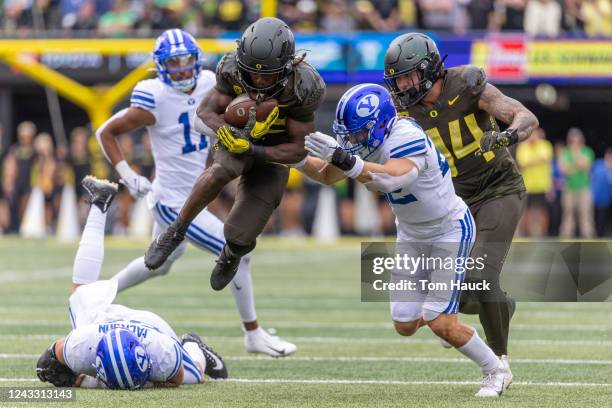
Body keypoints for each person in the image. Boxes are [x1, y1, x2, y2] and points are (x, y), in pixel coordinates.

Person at [298, 84, 511, 397]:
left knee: (439, 322)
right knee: (405, 324)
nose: (352, 141)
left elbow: (392, 177)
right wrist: (287, 156)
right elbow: (327, 175)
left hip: (448, 229)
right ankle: (450, 311)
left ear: (380, 124)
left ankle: (495, 369)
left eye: (357, 133)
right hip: (412, 234)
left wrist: (345, 159)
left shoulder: (406, 136)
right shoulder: (366, 143)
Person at [97, 28, 295, 357]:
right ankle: (253, 334)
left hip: (194, 196)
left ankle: (101, 294)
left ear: (196, 60)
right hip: (171, 201)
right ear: (160, 66)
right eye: (173, 63)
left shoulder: (210, 82)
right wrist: (126, 174)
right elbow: (106, 131)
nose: (181, 68)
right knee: (238, 250)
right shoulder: (153, 95)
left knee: (161, 265)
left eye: (186, 60)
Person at [383, 33, 538, 374]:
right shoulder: (400, 110)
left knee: (481, 275)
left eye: (408, 76)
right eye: (398, 79)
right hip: (452, 203)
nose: (403, 85)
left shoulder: (467, 84)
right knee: (455, 291)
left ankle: (498, 364)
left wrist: (507, 135)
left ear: (429, 70)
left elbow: (524, 115)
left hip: (497, 187)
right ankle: (501, 306)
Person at [144, 18, 326, 292]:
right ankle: (175, 230)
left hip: (274, 152)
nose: (260, 80)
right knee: (221, 170)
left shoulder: (303, 86)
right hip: (238, 134)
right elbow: (204, 113)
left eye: (268, 74)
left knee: (241, 232)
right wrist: (227, 131)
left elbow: (300, 148)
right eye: (252, 73)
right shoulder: (231, 69)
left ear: (288, 66)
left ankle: (231, 254)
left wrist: (254, 150)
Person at [36, 176, 227, 390]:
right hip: (103, 325)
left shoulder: (160, 351)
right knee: (79, 292)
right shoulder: (83, 345)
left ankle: (192, 343)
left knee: (196, 374)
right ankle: (100, 203)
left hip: (153, 327)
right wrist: (79, 377)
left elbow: (174, 379)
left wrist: (88, 382)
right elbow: (50, 360)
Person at [516, 127, 553, 237]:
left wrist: (531, 161)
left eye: (535, 134)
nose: (533, 137)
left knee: (543, 211)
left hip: (543, 185)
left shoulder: (546, 145)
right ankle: (526, 234)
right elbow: (522, 164)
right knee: (526, 211)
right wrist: (538, 160)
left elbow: (545, 159)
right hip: (527, 186)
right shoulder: (523, 146)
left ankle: (542, 234)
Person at [559, 128, 595, 238]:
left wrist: (576, 155)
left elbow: (586, 166)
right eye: (572, 141)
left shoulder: (587, 151)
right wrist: (577, 165)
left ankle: (587, 235)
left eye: (577, 140)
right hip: (569, 188)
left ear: (581, 140)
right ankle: (566, 235)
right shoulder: (565, 152)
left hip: (584, 188)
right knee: (568, 214)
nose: (575, 143)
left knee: (585, 214)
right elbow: (564, 170)